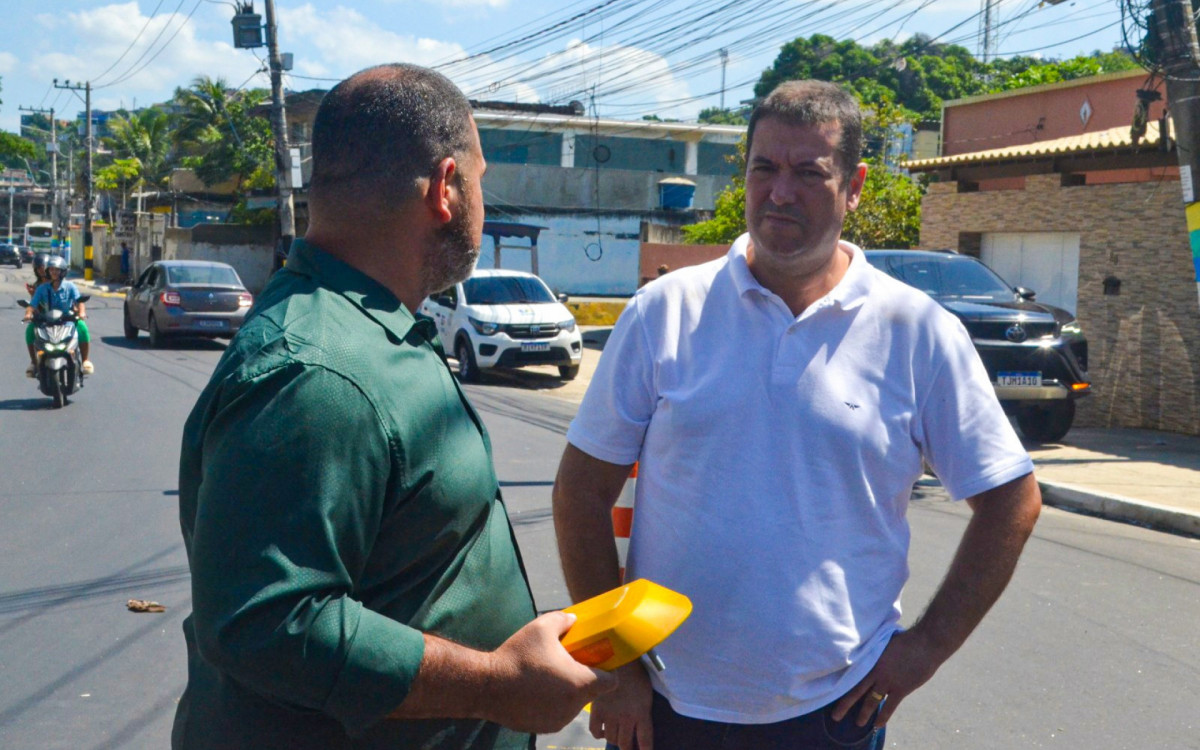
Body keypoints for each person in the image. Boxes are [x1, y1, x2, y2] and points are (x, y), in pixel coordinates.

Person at [552, 80, 1042, 750]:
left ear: (856, 185)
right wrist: (615, 668)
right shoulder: (665, 312)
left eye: (809, 173)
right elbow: (581, 491)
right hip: (663, 710)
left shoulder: (917, 331)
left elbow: (1012, 498)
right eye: (764, 168)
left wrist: (924, 650)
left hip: (833, 718)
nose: (780, 193)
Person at [172, 63, 613, 750]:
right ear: (445, 188)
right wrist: (496, 682)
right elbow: (265, 623)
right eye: (480, 180)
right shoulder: (318, 371)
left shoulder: (374, 330)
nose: (481, 201)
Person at [24, 254, 92, 377]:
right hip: (46, 320)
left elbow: (79, 301)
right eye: (51, 270)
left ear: (62, 272)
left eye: (57, 270)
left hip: (67, 320)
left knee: (82, 328)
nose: (54, 272)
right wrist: (28, 314)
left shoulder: (70, 286)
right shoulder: (41, 288)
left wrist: (82, 313)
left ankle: (85, 360)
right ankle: (34, 363)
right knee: (29, 331)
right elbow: (33, 304)